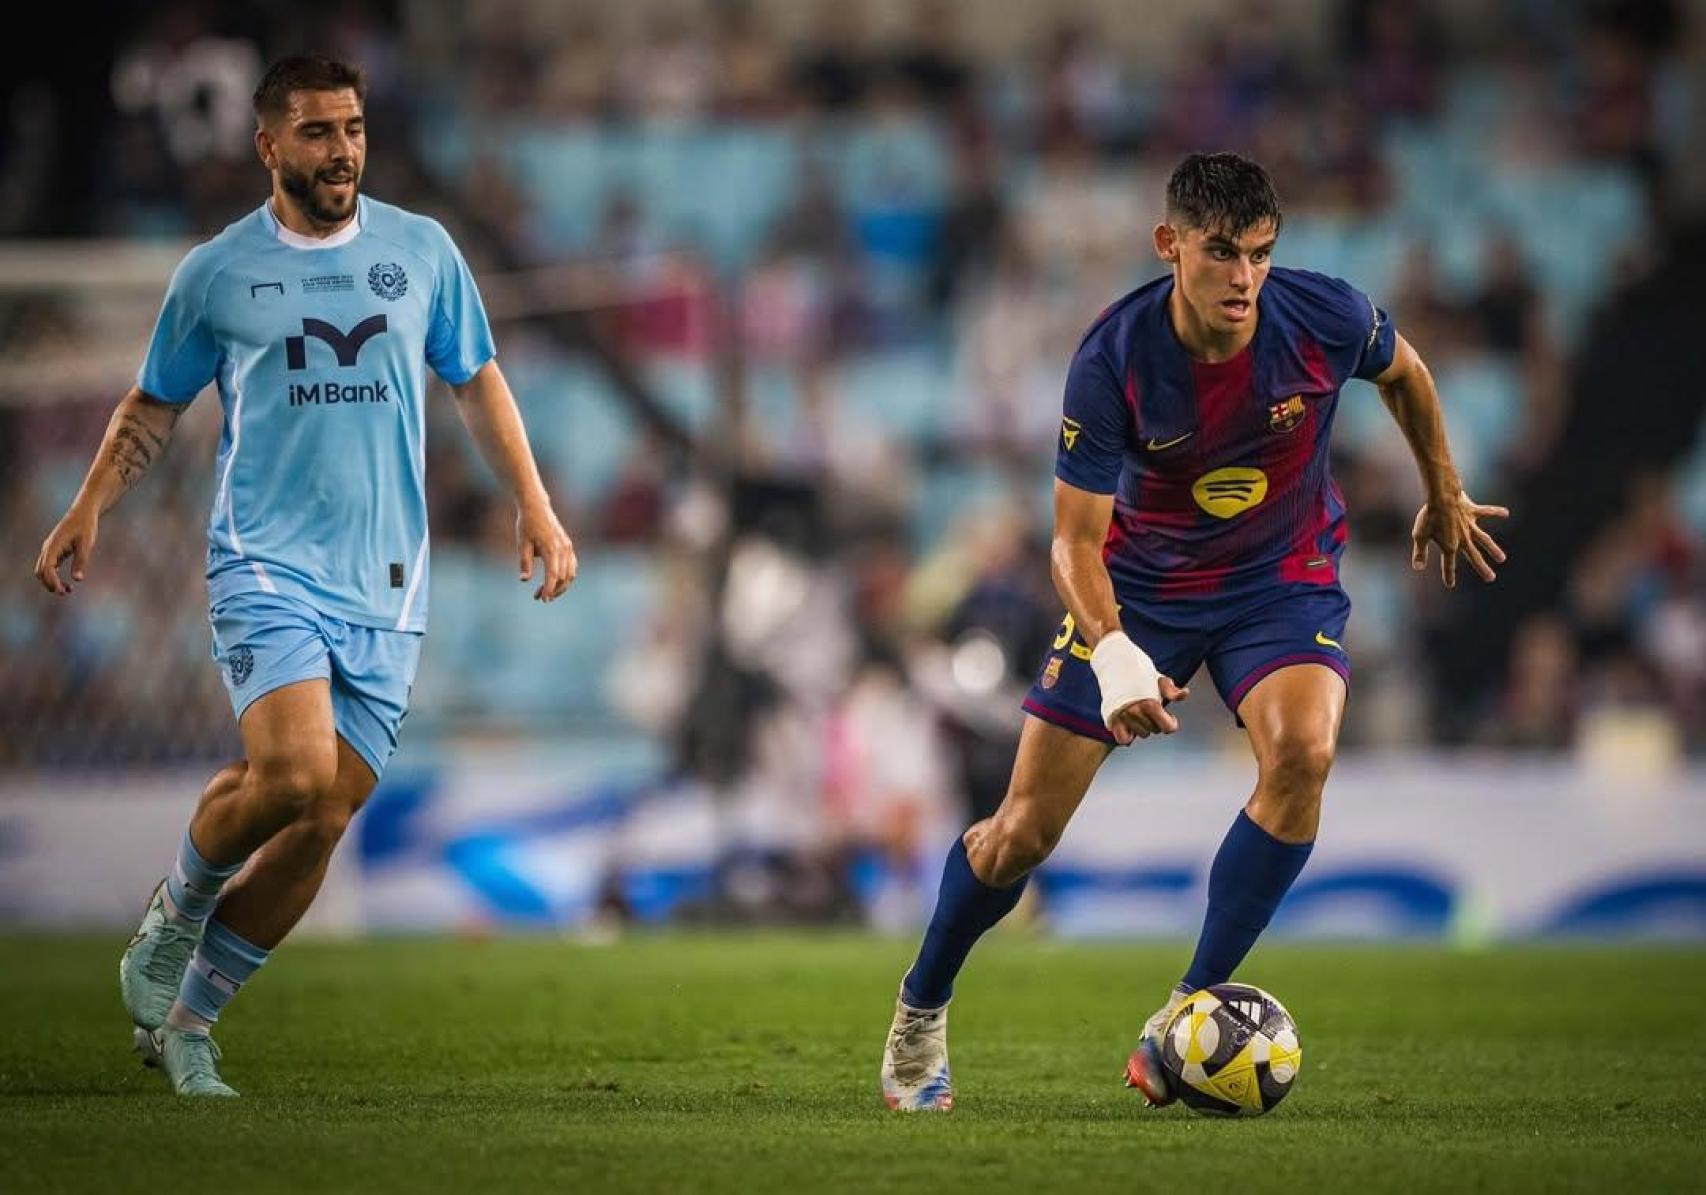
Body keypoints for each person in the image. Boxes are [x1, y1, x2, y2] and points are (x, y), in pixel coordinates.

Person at [879, 152, 1507, 1111]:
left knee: (1304, 755)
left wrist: (1444, 488)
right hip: (1141, 594)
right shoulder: (1114, 356)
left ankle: (1180, 1017)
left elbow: (1408, 374)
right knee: (1020, 836)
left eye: (1260, 253)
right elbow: (1072, 544)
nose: (1245, 277)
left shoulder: (1323, 315)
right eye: (1222, 253)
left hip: (1279, 584)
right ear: (1170, 245)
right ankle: (923, 1003)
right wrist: (1119, 650)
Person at [32, 56, 577, 1097]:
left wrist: (536, 505)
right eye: (320, 132)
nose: (343, 152)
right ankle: (174, 915)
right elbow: (153, 405)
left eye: (355, 128)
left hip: (387, 582)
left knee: (322, 815)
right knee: (288, 774)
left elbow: (477, 379)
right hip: (263, 562)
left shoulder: (421, 251)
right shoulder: (217, 272)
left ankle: (189, 1024)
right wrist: (88, 504)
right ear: (269, 145)